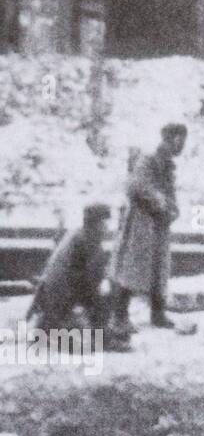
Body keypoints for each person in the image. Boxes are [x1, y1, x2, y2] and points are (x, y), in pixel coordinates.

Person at [108, 123, 186, 334]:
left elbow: (169, 192)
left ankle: (158, 314)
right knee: (133, 267)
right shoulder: (148, 158)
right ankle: (120, 317)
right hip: (142, 221)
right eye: (181, 140)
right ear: (170, 139)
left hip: (159, 222)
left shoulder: (168, 164)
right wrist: (161, 203)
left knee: (160, 268)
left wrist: (173, 208)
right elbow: (137, 186)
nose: (183, 145)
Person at [27, 204, 124, 348]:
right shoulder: (88, 242)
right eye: (104, 223)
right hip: (62, 299)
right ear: (96, 223)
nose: (106, 228)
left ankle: (48, 329)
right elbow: (90, 285)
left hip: (51, 298)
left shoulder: (76, 234)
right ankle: (102, 339)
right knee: (109, 293)